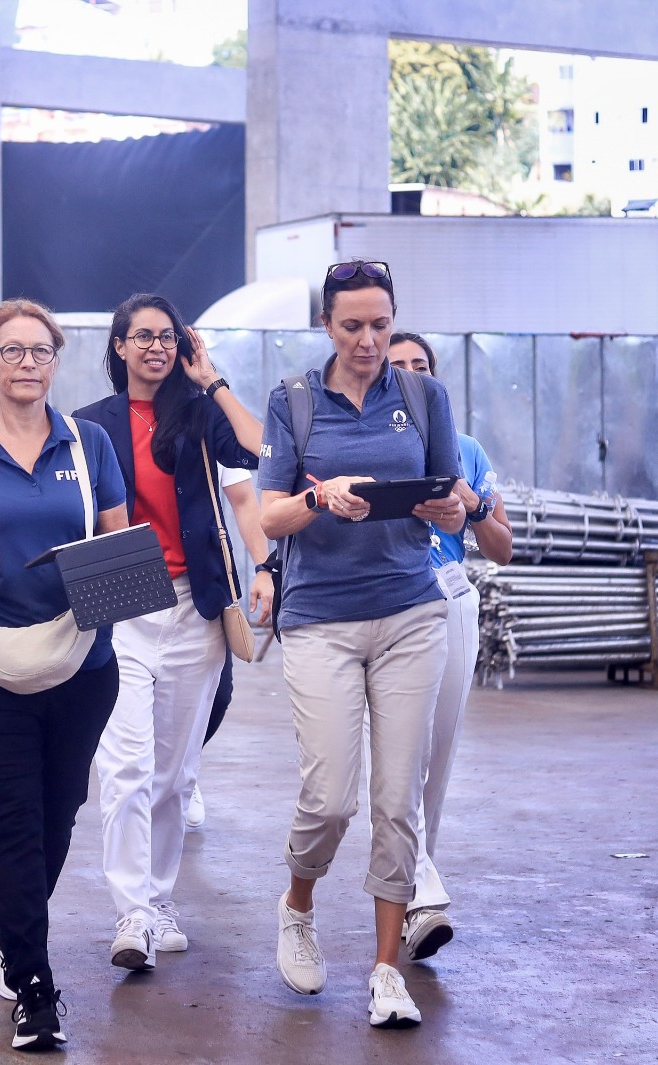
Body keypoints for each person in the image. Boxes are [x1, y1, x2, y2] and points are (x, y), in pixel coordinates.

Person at [0, 299, 131, 1051]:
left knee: (59, 808)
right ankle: (36, 993)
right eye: (11, 351)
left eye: (41, 352)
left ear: (56, 361)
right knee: (13, 816)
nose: (27, 364)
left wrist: (104, 581)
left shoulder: (90, 444)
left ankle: (9, 912)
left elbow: (116, 541)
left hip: (82, 663)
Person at [257, 260, 464, 1029]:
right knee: (332, 795)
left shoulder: (423, 395)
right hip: (321, 620)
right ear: (326, 326)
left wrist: (449, 510)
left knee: (395, 799)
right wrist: (318, 496)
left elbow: (448, 497)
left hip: (412, 611)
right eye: (353, 325)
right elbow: (269, 518)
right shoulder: (294, 402)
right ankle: (299, 902)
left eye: (381, 323)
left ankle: (385, 969)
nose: (370, 339)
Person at [74, 293, 266, 973]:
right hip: (123, 591)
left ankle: (157, 899)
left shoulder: (200, 414)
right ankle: (131, 909)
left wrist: (209, 375)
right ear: (119, 345)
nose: (155, 347)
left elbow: (255, 447)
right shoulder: (89, 423)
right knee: (125, 762)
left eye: (167, 337)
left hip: (196, 599)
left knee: (176, 769)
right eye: (142, 336)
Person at [387, 330, 513, 961]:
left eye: (421, 366)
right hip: (380, 604)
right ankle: (419, 889)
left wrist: (476, 500)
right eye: (398, 365)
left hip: (449, 595)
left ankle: (417, 882)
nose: (411, 374)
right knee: (398, 755)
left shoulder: (463, 449)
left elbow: (501, 547)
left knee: (438, 752)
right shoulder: (359, 441)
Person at [185, 465, 275, 830]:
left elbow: (243, 501)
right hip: (139, 584)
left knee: (218, 695)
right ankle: (165, 775)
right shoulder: (103, 426)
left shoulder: (207, 420)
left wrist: (264, 568)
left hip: (203, 584)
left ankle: (183, 768)